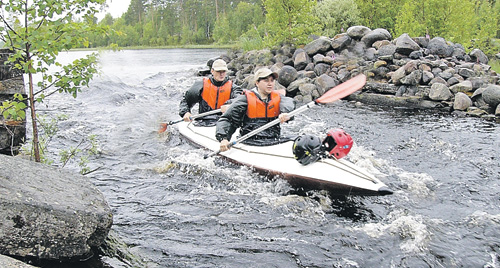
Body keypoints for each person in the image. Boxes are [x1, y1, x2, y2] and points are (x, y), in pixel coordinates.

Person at [216, 67, 296, 151]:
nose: (270, 84)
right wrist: (224, 138)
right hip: (251, 141)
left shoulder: (278, 97)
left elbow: (289, 102)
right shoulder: (245, 99)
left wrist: (285, 113)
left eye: (272, 81)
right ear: (257, 83)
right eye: (266, 81)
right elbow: (228, 119)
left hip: (274, 139)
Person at [178, 59, 242, 125]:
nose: (221, 74)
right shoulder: (200, 85)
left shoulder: (233, 88)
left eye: (223, 71)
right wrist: (185, 112)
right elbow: (185, 101)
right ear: (212, 71)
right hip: (203, 122)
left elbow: (240, 100)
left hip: (225, 122)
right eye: (218, 71)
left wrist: (230, 104)